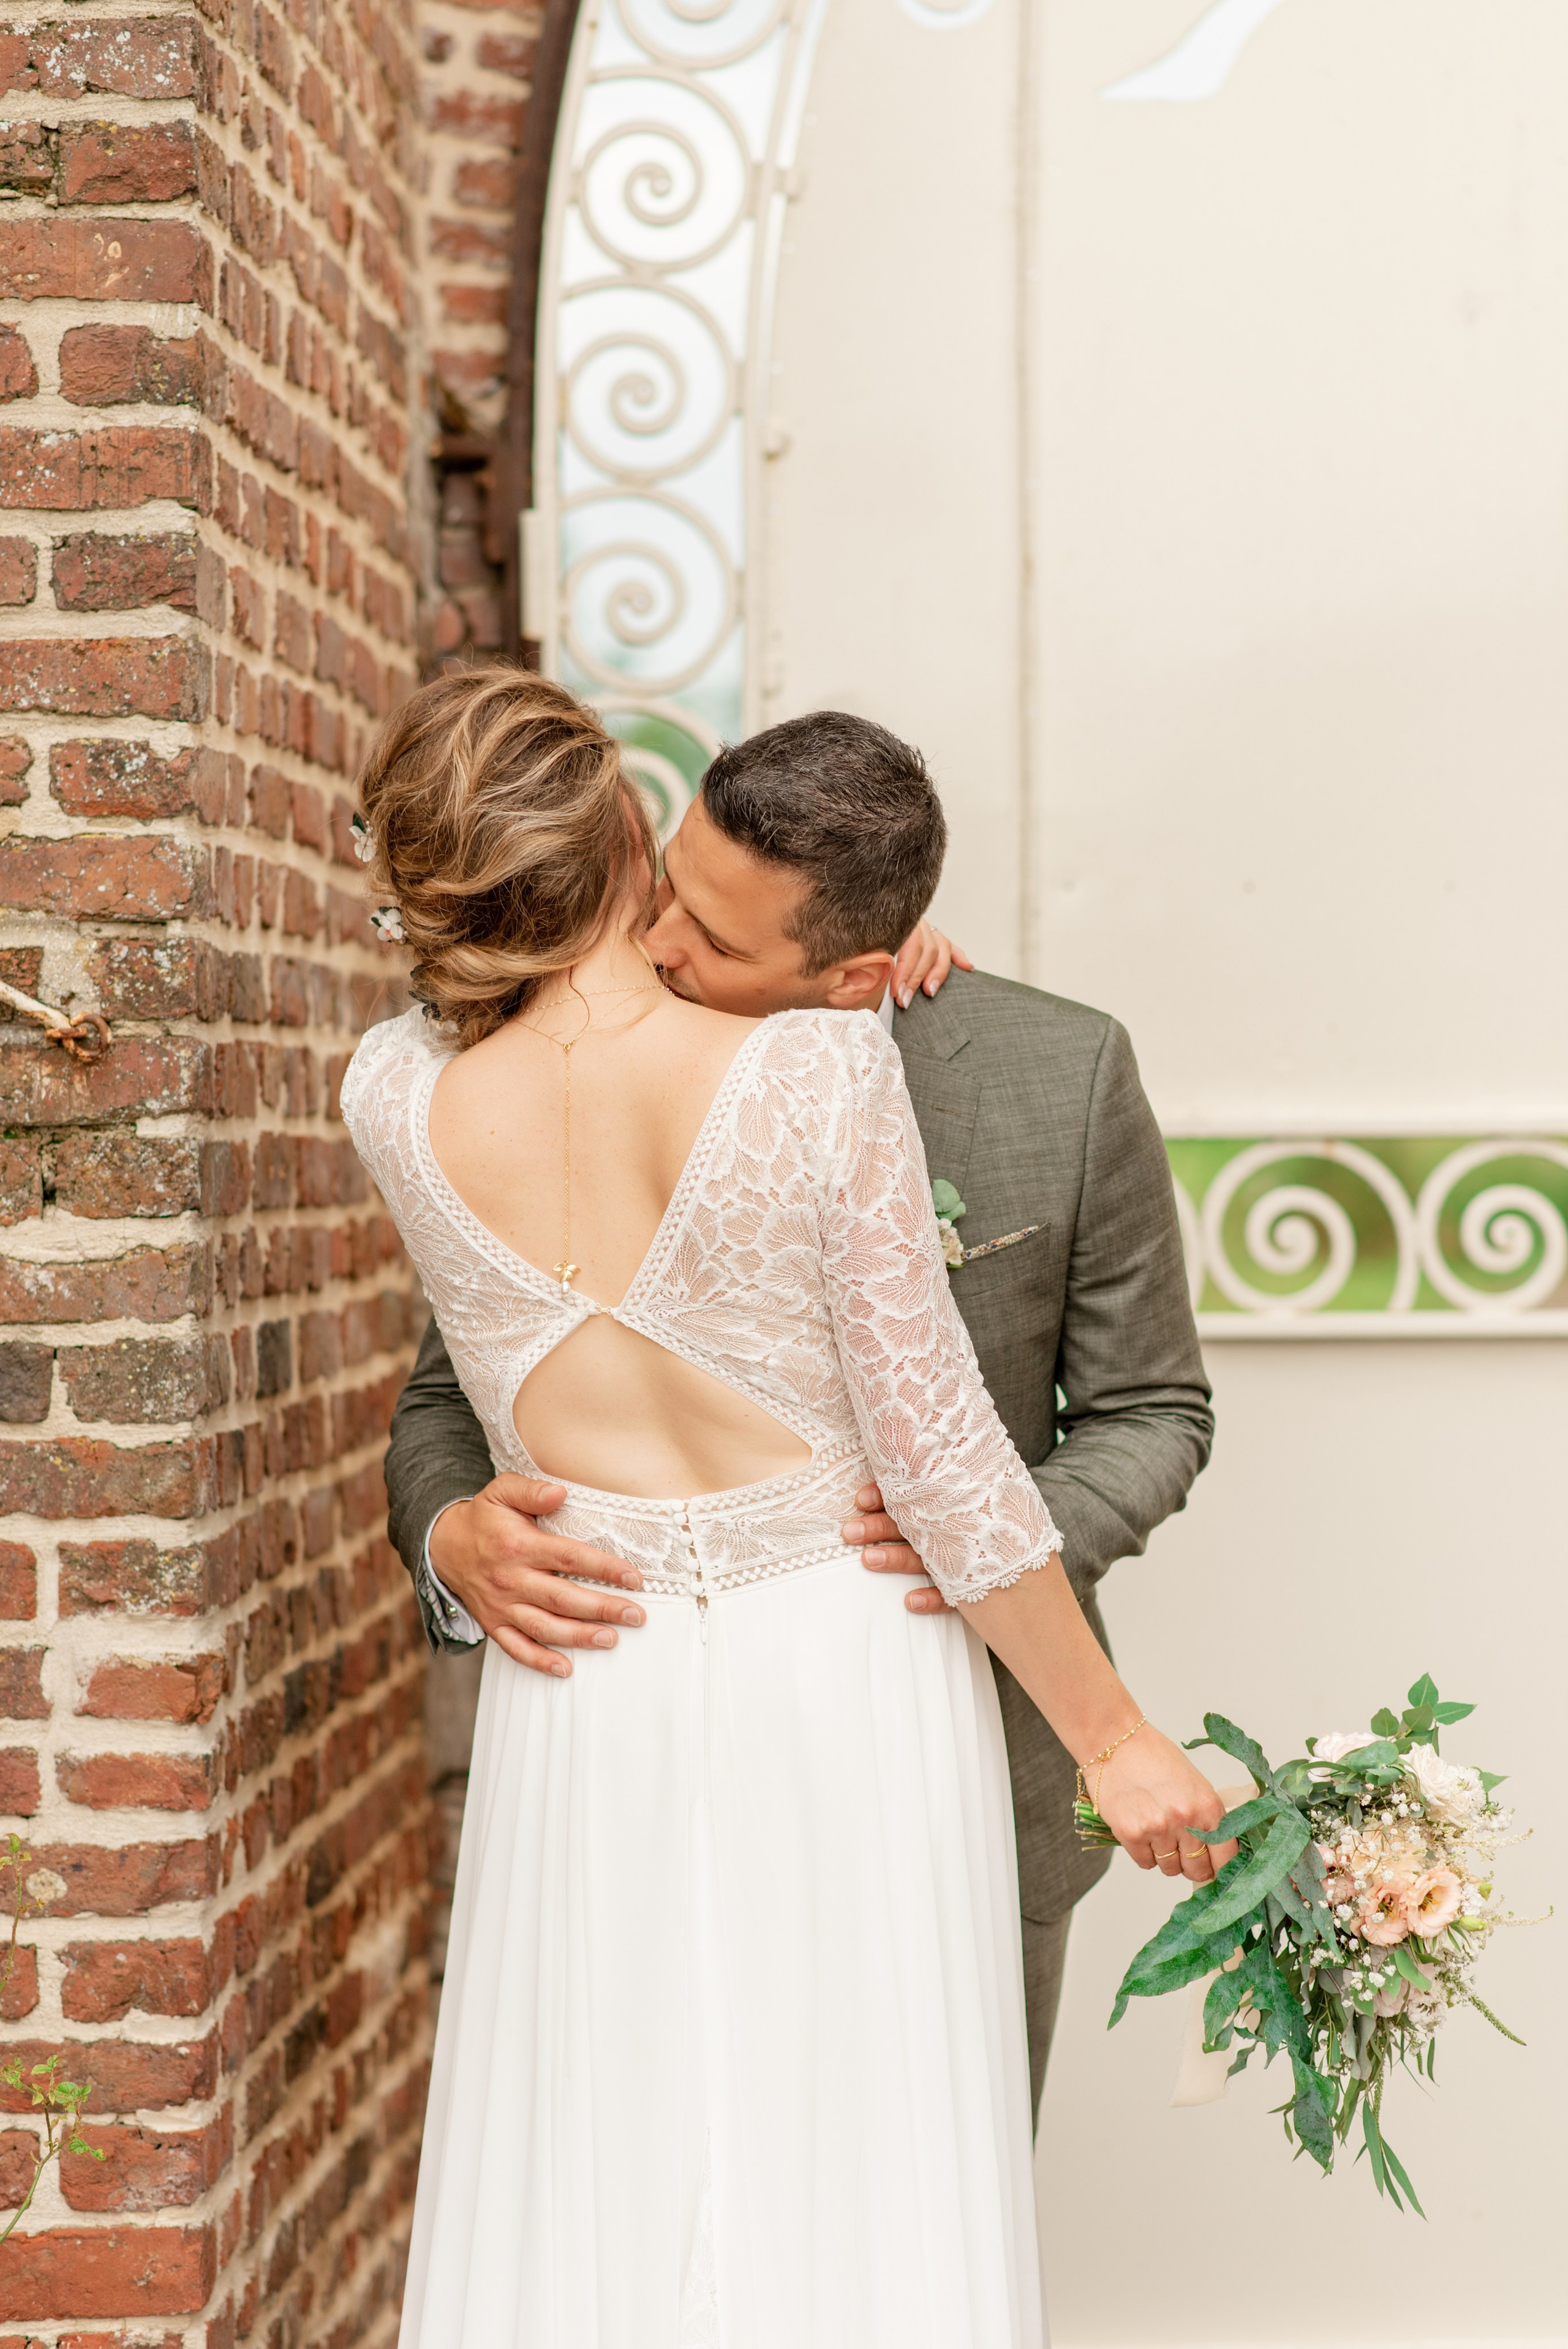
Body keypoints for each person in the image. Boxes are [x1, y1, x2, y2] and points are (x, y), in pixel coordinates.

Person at [345, 669, 1228, 2347]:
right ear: (626, 832)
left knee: (591, 2166)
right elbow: (947, 1464)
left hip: (582, 1691)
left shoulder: (388, 1093)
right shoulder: (823, 1076)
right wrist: (1116, 1739)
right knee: (857, 2185)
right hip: (844, 1671)